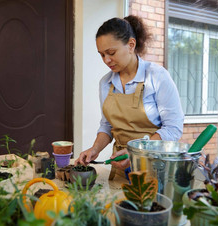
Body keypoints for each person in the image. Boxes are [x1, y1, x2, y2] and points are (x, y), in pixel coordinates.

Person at [75, 15, 184, 180]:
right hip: (120, 166)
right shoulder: (106, 83)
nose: (106, 60)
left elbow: (173, 128)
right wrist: (94, 149)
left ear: (131, 45)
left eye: (111, 53)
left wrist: (137, 151)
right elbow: (107, 126)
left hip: (155, 168)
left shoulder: (157, 77)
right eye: (102, 55)